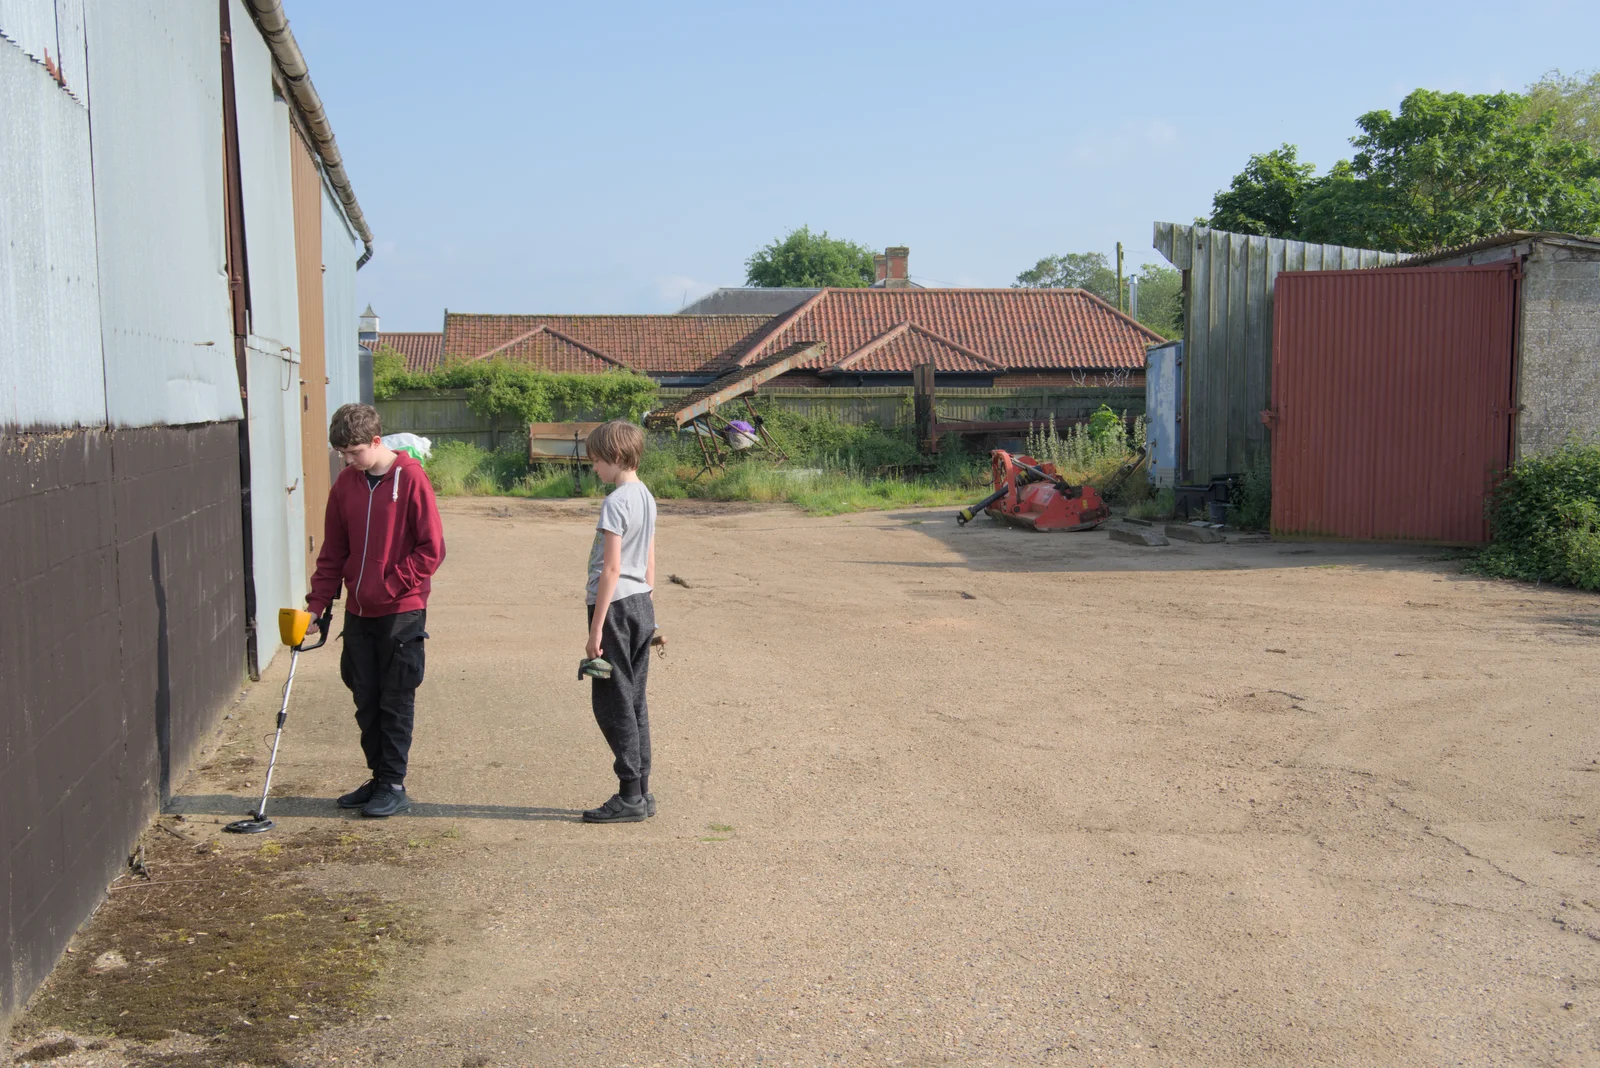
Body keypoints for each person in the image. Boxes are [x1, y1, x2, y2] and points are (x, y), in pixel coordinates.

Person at [306, 403, 445, 818]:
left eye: (354, 452)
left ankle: (394, 783)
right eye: (342, 454)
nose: (348, 461)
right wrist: (317, 606)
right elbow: (333, 552)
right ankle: (378, 775)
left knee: (395, 697)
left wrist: (390, 583)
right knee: (364, 695)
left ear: (377, 441)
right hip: (359, 612)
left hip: (402, 610)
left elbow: (431, 550)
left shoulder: (411, 478)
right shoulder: (345, 486)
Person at [582, 420, 658, 823]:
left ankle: (629, 794)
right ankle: (642, 790)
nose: (594, 468)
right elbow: (648, 557)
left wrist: (595, 631)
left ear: (613, 457)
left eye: (595, 461)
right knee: (634, 700)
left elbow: (611, 568)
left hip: (614, 607)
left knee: (613, 702)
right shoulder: (645, 495)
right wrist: (652, 612)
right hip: (640, 604)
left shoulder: (616, 501)